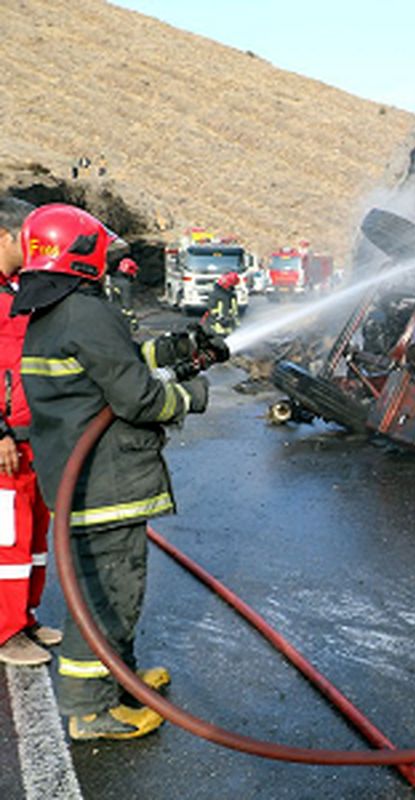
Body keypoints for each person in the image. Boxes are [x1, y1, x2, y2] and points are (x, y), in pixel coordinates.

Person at [14, 203, 209, 741]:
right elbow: (137, 396)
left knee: (106, 586)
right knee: (109, 594)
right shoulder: (86, 311)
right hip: (106, 480)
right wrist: (189, 396)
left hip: (77, 479)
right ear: (81, 251)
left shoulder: (52, 312)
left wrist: (169, 349)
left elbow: (108, 362)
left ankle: (118, 678)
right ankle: (90, 709)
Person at [0, 197, 60, 667]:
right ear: (4, 236)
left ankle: (26, 615)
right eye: (28, 238)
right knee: (9, 538)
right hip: (6, 442)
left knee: (36, 532)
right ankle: (5, 631)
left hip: (33, 435)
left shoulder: (18, 289)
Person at [107, 257, 139, 332]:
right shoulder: (125, 284)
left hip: (108, 314)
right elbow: (127, 306)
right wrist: (133, 322)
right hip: (119, 319)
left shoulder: (112, 280)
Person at [203, 270, 240, 335]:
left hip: (218, 322)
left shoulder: (227, 294)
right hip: (216, 325)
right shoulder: (223, 296)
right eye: (232, 285)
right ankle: (219, 326)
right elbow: (222, 312)